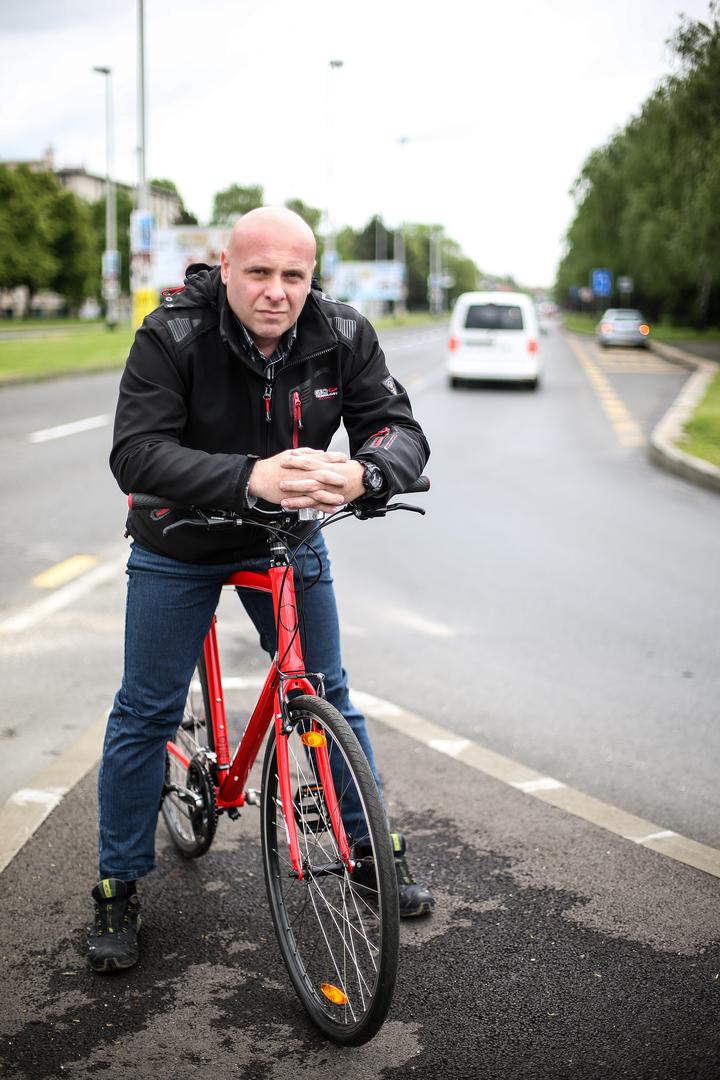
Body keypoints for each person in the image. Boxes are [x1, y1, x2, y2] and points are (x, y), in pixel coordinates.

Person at [87, 206, 433, 973]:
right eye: (259, 273)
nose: (277, 292)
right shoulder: (170, 333)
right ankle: (118, 884)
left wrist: (365, 472)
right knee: (144, 710)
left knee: (329, 695)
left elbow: (396, 428)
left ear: (313, 278)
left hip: (284, 540)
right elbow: (136, 454)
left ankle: (370, 848)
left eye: (294, 276)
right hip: (177, 540)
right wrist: (250, 475)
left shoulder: (343, 334)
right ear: (226, 266)